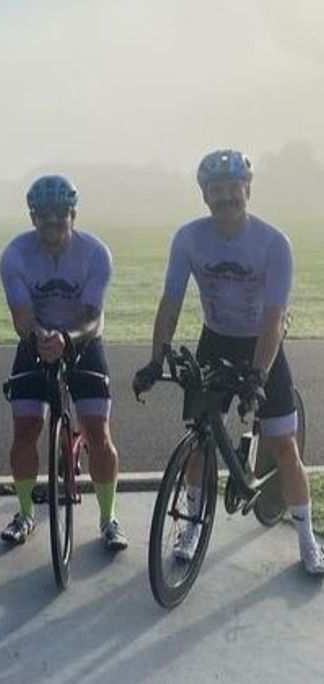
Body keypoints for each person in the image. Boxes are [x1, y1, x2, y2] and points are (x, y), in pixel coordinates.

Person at [133, 149, 324, 574]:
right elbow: (171, 302)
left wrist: (259, 376)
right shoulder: (188, 238)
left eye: (233, 189)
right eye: (215, 191)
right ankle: (192, 527)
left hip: (262, 342)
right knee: (199, 439)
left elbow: (275, 317)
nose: (225, 197)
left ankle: (307, 539)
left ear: (247, 190)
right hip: (216, 341)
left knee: (283, 444)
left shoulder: (274, 243)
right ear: (204, 196)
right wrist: (154, 359)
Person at [0, 175, 128, 550]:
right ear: (33, 217)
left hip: (83, 341)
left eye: (60, 214)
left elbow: (92, 315)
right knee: (25, 429)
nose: (52, 222)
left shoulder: (95, 253)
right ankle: (24, 513)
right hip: (35, 339)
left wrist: (67, 339)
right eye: (44, 215)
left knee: (98, 434)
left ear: (73, 214)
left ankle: (109, 519)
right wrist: (39, 337)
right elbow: (21, 316)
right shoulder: (16, 254)